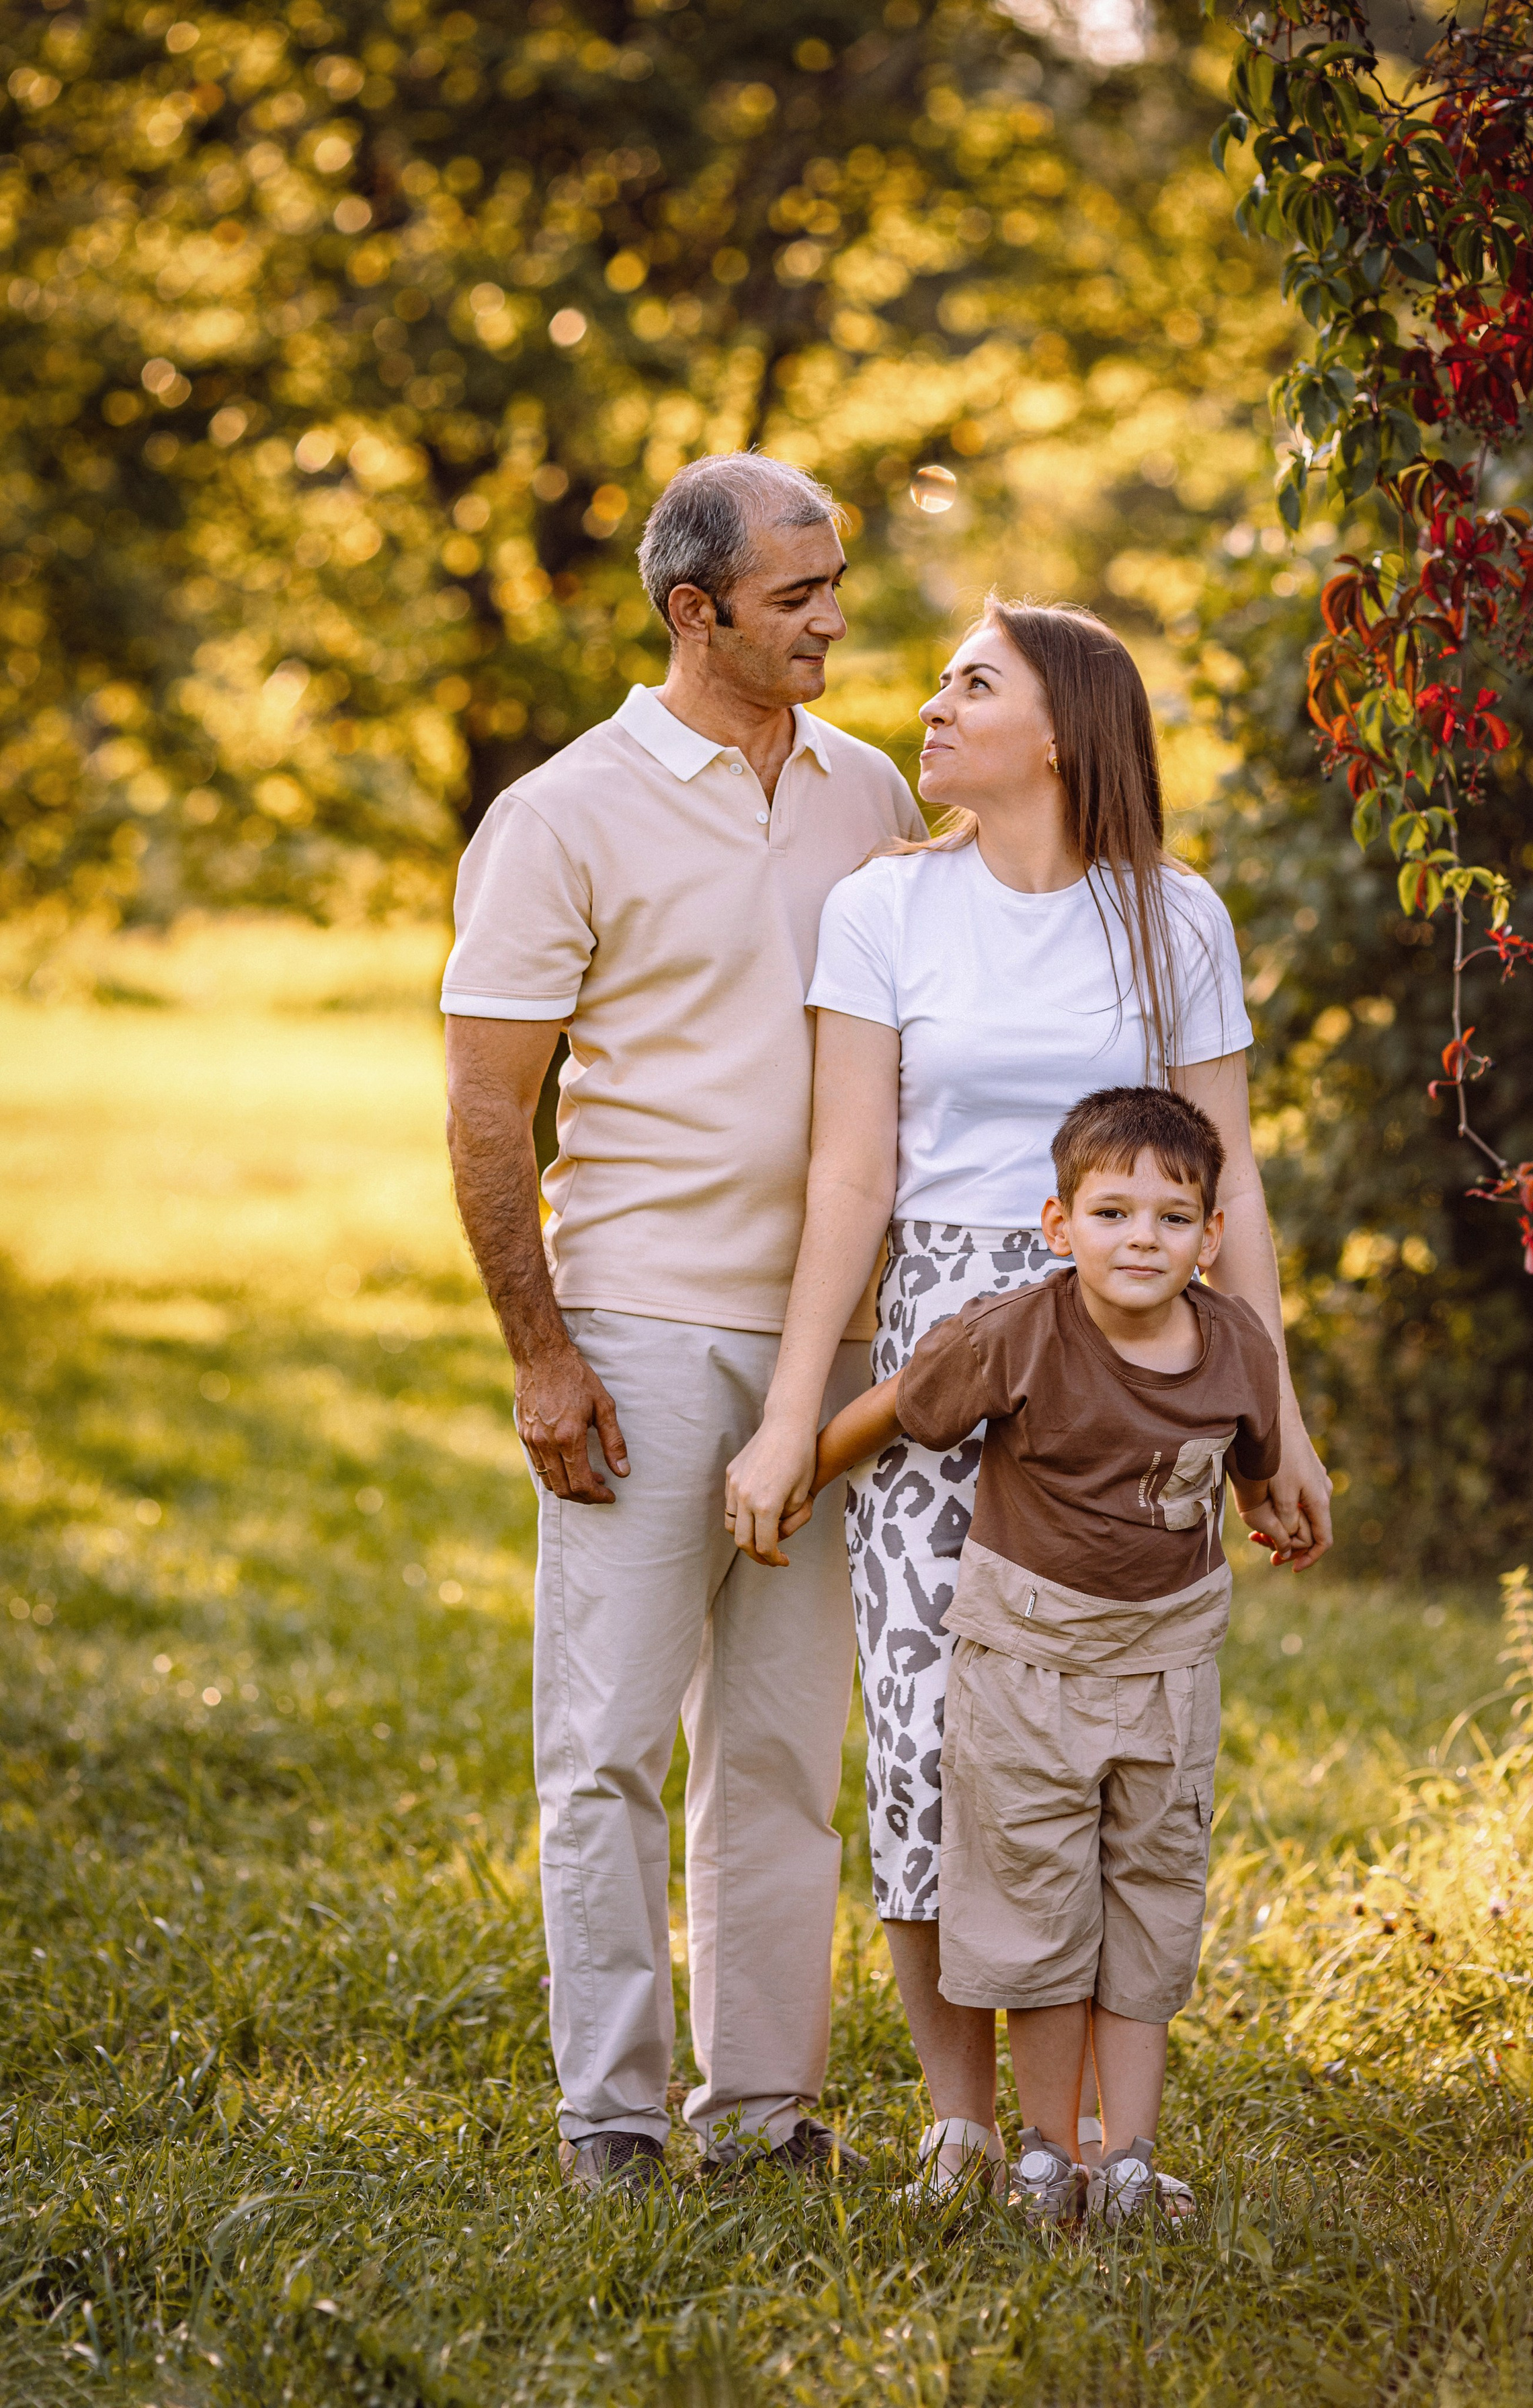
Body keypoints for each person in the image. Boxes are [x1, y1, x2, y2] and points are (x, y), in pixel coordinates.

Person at [724, 599, 1331, 2197]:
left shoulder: (1171, 917)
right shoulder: (883, 908)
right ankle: (965, 2125)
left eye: (967, 682)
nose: (926, 704)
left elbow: (1234, 1184)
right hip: (948, 1330)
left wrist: (1279, 1418)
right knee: (932, 1732)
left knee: (1090, 1738)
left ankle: (1091, 2141)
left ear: (1059, 728)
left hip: (1133, 1347)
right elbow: (848, 1173)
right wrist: (799, 1413)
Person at [441, 453, 923, 2194]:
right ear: (693, 609)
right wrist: (540, 1352)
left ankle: (767, 2110)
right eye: (799, 594)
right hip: (638, 1330)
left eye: (837, 580)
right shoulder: (561, 813)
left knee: (790, 1752)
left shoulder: (874, 794)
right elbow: (491, 1106)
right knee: (611, 1746)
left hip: (834, 1350)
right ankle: (612, 2121)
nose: (836, 618)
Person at [768, 1084, 1281, 2224]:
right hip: (1028, 1669)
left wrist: (1280, 1499)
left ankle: (1129, 2156)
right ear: (1059, 1226)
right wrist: (797, 1467)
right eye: (1111, 1213)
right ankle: (1045, 2154)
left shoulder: (1238, 1342)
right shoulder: (1020, 1330)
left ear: (1213, 1234)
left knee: (1148, 1903)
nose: (1141, 1237)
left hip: (1167, 1672)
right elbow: (904, 1405)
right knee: (1039, 1908)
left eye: (1171, 1216)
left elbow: (1248, 1451)